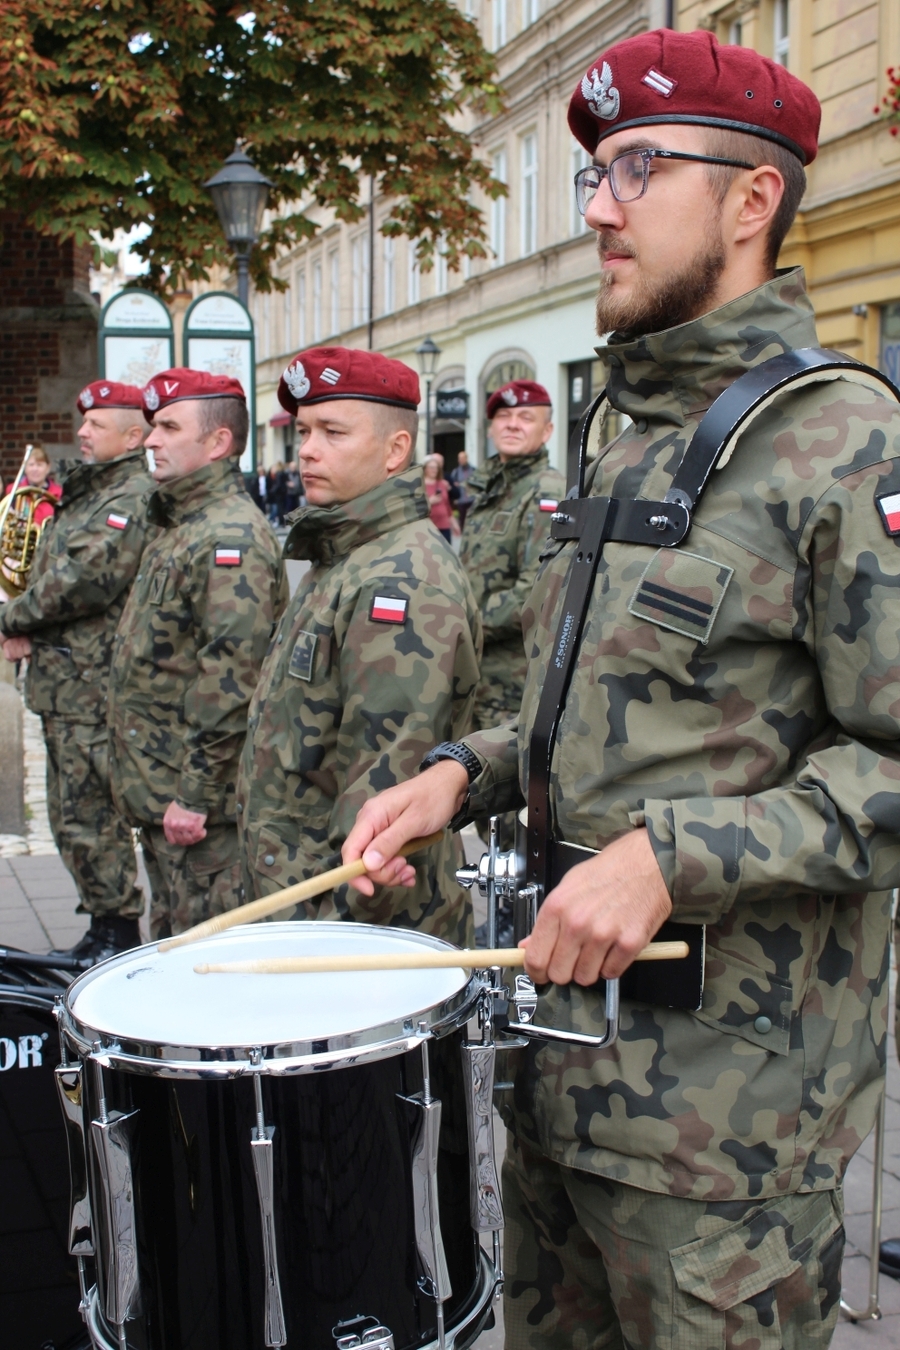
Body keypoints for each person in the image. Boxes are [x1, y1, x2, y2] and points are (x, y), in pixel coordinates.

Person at [344, 29, 900, 1349]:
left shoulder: (844, 442)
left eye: (638, 167)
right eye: (595, 169)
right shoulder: (631, 437)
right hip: (558, 1087)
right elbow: (597, 707)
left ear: (752, 199)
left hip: (727, 1144)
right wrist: (460, 776)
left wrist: (671, 858)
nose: (596, 203)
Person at [236, 345, 482, 944]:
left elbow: (386, 786)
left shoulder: (398, 578)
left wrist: (340, 939)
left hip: (348, 926)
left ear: (396, 451)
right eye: (303, 432)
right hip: (300, 895)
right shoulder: (346, 552)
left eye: (333, 432)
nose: (309, 450)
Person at [108, 369, 288, 940]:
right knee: (170, 944)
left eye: (167, 426)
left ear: (218, 443)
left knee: (204, 960)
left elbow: (232, 679)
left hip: (197, 811)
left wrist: (195, 795)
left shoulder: (227, 536)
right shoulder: (183, 522)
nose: (151, 440)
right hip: (163, 792)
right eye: (151, 426)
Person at [0, 383, 154, 960]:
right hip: (64, 683)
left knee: (91, 815)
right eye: (83, 421)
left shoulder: (129, 496)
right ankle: (100, 922)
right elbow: (48, 570)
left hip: (93, 687)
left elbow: (84, 580)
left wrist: (11, 616)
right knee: (69, 815)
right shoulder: (88, 492)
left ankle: (116, 933)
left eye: (96, 424)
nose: (82, 432)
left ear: (132, 436)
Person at [459, 378, 565, 934]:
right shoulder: (491, 490)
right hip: (483, 675)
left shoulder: (544, 489)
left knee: (516, 814)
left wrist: (460, 616)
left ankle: (518, 930)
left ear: (548, 430)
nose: (513, 425)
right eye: (504, 418)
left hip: (516, 676)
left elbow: (535, 588)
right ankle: (503, 916)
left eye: (527, 419)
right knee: (489, 813)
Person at [4, 444, 63, 526]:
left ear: (48, 468)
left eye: (39, 465)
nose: (35, 469)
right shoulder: (13, 490)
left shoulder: (59, 493)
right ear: (25, 468)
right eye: (31, 465)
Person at [423, 452, 454, 542]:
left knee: (447, 554)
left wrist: (453, 523)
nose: (434, 470)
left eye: (436, 468)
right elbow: (414, 506)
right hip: (429, 526)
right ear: (425, 469)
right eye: (432, 467)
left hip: (444, 526)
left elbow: (447, 505)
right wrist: (430, 501)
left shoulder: (442, 484)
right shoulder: (420, 485)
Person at [449, 449, 474, 529]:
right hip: (461, 500)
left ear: (466, 458)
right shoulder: (455, 472)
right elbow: (452, 485)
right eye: (459, 458)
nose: (461, 460)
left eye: (462, 458)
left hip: (472, 500)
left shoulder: (473, 470)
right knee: (462, 522)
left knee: (472, 521)